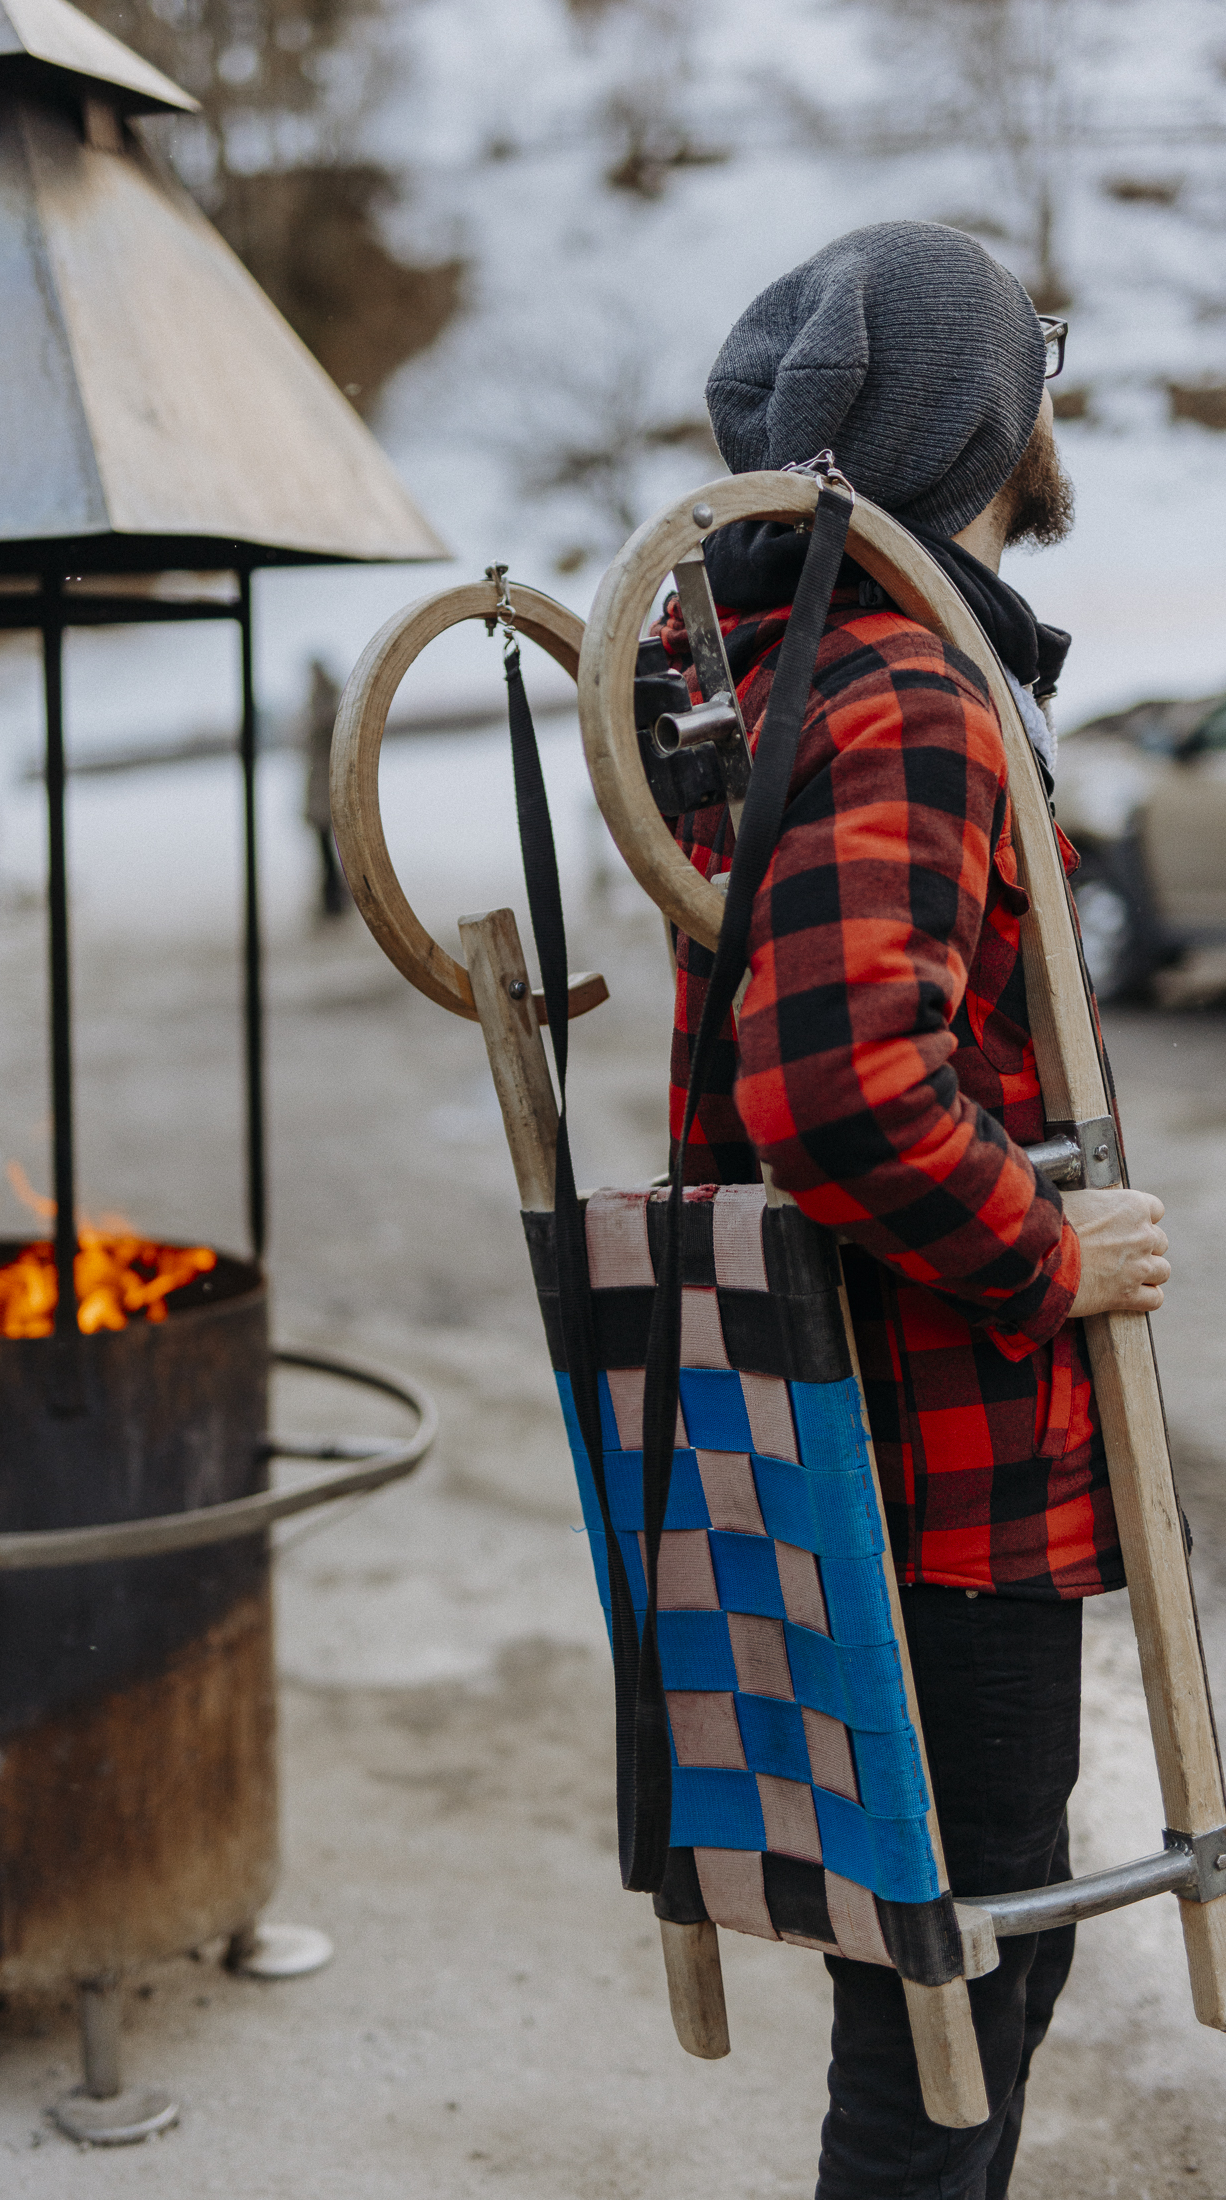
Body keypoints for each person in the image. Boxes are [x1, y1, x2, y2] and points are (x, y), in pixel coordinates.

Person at [661, 222, 1171, 2198]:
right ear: (980, 424)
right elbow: (839, 1089)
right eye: (1023, 365)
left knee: (951, 1976)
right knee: (956, 1993)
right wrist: (1053, 1251)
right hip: (940, 1463)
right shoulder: (904, 691)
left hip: (860, 1433)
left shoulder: (785, 677)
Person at [302, 656, 346, 918]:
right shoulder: (324, 703)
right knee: (326, 851)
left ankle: (333, 901)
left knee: (328, 851)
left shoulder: (325, 707)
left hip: (324, 792)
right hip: (321, 791)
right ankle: (332, 900)